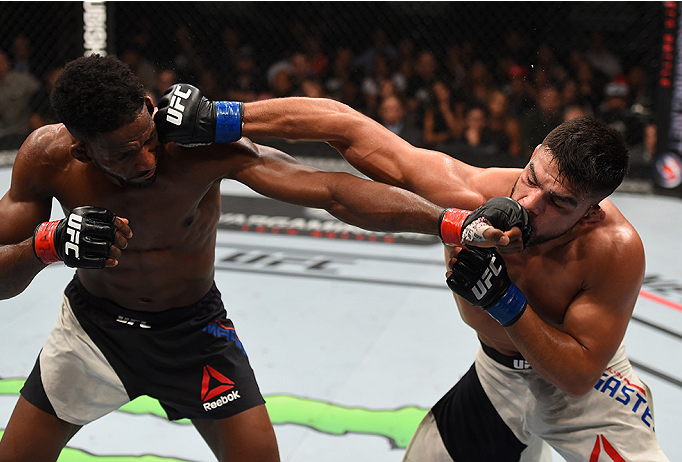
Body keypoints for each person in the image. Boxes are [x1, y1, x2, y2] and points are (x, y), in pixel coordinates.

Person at [0, 54, 471, 462]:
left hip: (194, 334)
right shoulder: (47, 158)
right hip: (94, 332)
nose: (146, 161)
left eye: (148, 141)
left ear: (151, 108)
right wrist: (44, 247)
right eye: (123, 154)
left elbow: (330, 190)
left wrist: (449, 222)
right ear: (82, 150)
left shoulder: (196, 149)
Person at [181, 90, 670, 461]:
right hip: (499, 376)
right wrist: (228, 116)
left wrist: (502, 299)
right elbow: (350, 129)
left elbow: (577, 375)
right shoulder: (471, 195)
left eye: (558, 203)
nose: (528, 204)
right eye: (532, 178)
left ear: (589, 214)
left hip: (588, 388)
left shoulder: (613, 251)